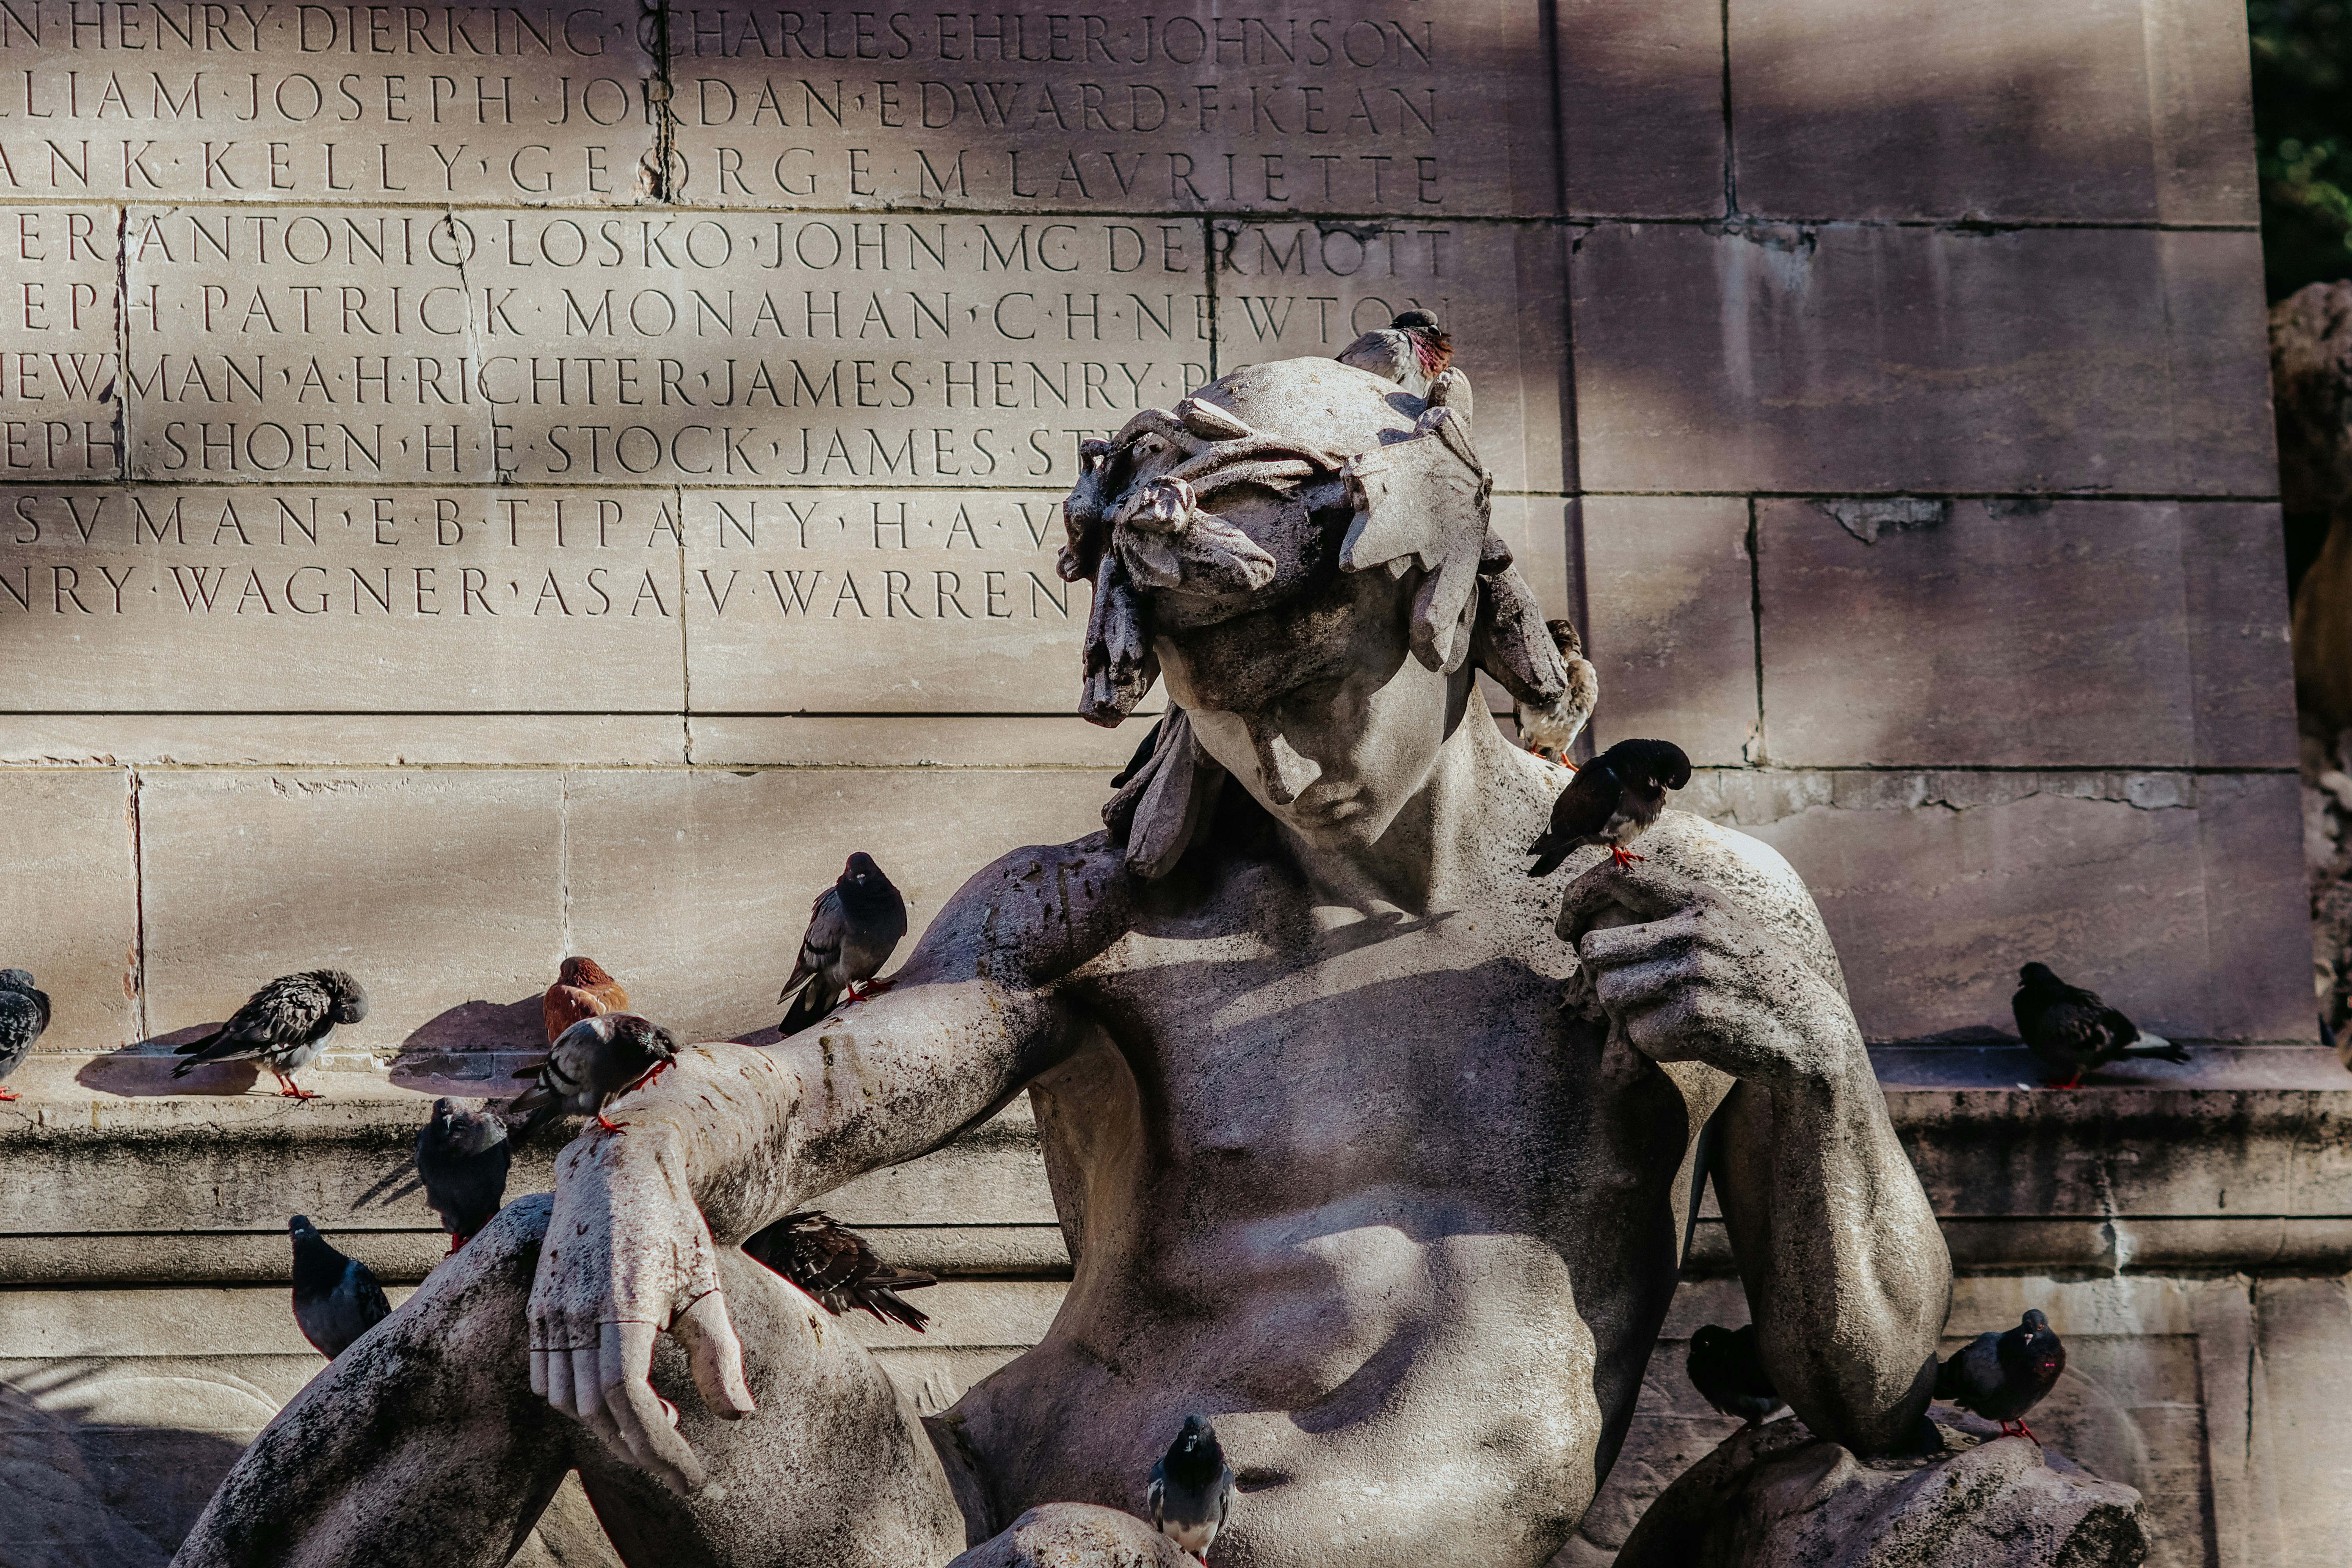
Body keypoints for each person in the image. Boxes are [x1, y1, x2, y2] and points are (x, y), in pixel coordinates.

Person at [177, 357, 1948, 1568]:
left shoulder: (1671, 908)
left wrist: (1825, 1071)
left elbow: (1860, 1382)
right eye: (1227, 711)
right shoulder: (1105, 907)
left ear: (1450, 614)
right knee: (542, 1273)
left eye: (1321, 700)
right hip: (969, 1519)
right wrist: (645, 1157)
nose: (1286, 764)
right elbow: (826, 1087)